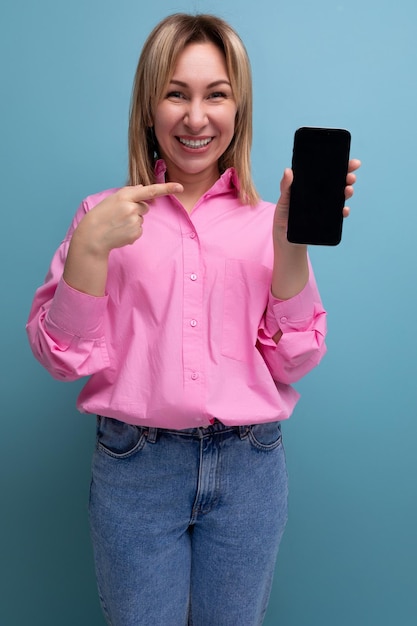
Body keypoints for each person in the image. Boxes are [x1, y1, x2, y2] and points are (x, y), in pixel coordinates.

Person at [26, 12, 360, 626]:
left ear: (240, 108)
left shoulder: (269, 221)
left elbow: (296, 359)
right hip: (135, 469)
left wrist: (290, 245)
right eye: (176, 93)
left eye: (217, 95)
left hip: (250, 469)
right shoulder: (101, 215)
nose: (196, 117)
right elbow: (58, 358)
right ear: (148, 106)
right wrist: (89, 252)